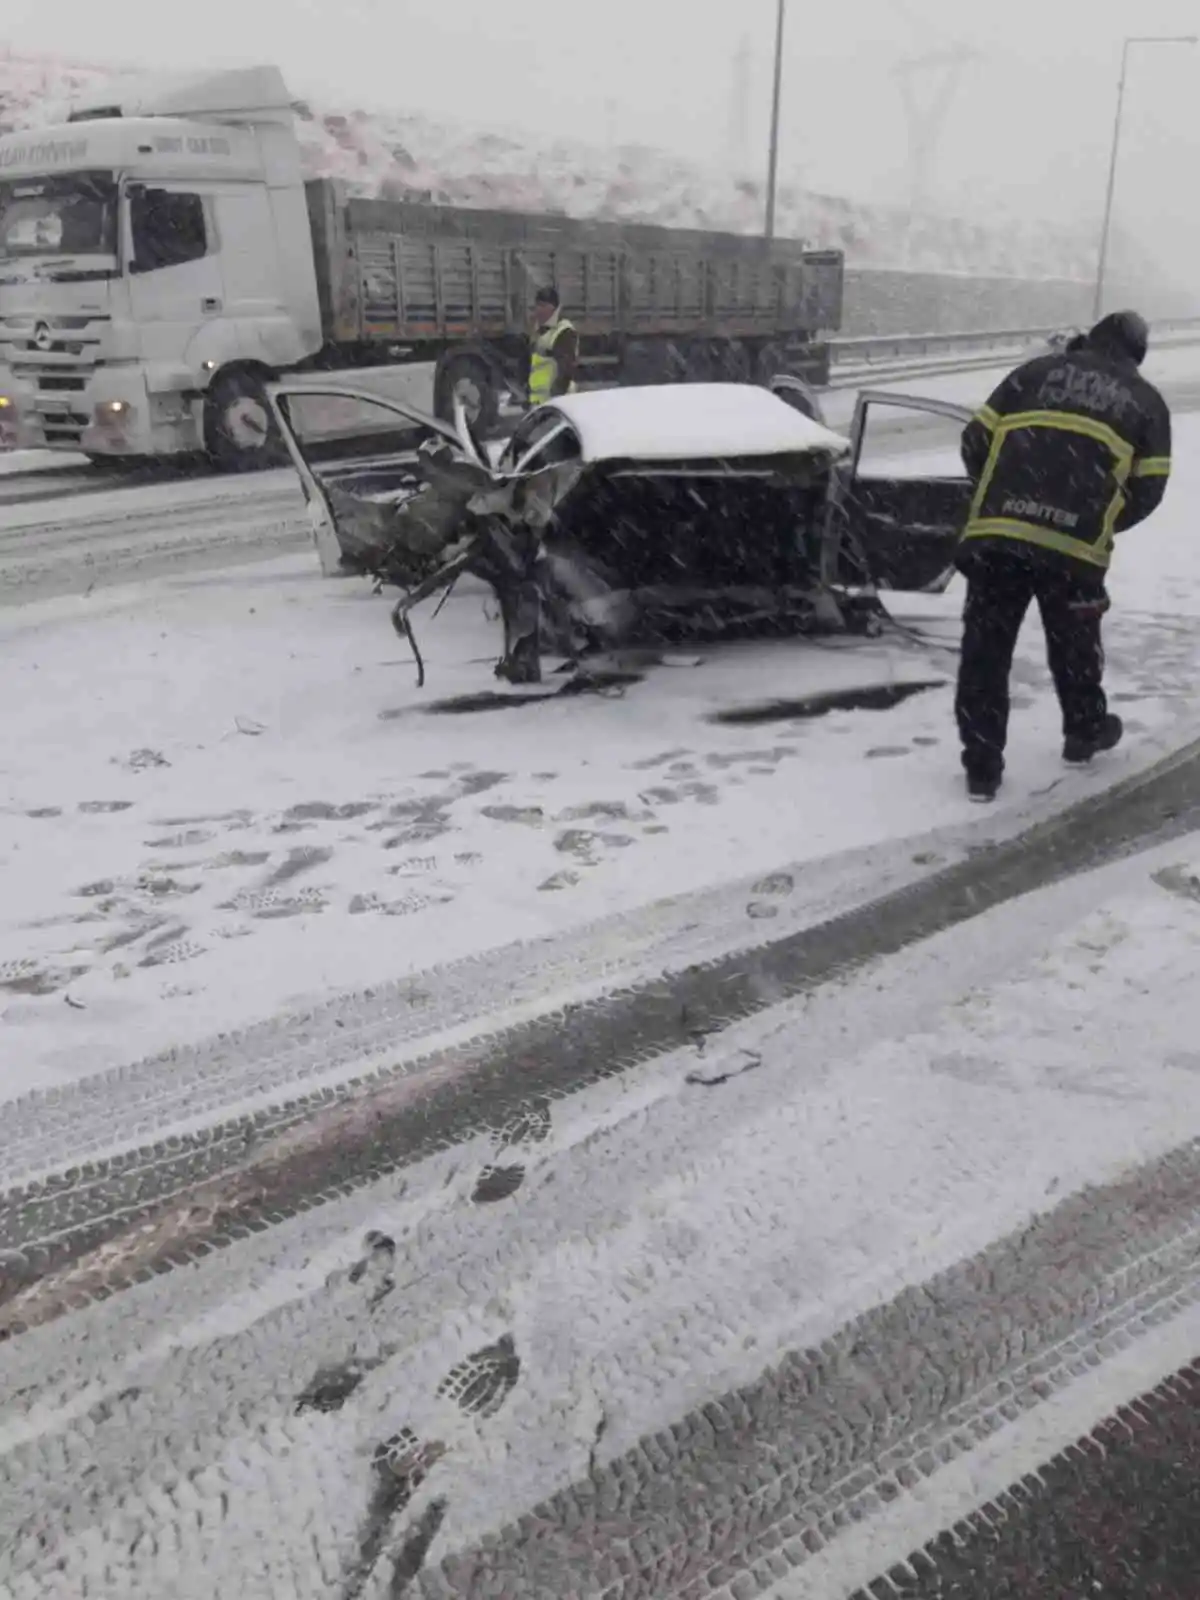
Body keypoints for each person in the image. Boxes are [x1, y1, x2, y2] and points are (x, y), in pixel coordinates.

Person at [953, 308, 1172, 803]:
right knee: (1075, 644)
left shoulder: (1033, 372)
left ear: (1086, 340)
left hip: (999, 535)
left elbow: (973, 441)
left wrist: (1002, 495)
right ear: (1136, 356)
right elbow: (1150, 486)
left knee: (985, 651)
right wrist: (1096, 518)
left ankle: (982, 768)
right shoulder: (1145, 401)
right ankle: (1084, 731)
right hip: (1073, 548)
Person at [528, 286, 578, 406]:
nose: (538, 310)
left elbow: (566, 368)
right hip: (540, 400)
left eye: (542, 306)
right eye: (537, 305)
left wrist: (557, 395)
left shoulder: (564, 331)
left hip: (556, 400)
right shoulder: (538, 328)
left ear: (552, 308)